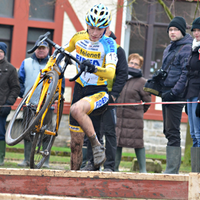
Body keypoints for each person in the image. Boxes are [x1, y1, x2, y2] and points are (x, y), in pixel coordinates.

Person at [64, 3, 118, 170]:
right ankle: (74, 177)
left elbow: (110, 73)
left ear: (106, 28)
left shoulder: (109, 44)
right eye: (92, 27)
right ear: (86, 24)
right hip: (79, 89)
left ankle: (96, 145)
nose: (95, 33)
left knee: (75, 109)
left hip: (98, 92)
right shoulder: (78, 37)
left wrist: (95, 68)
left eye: (100, 29)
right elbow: (65, 51)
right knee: (75, 142)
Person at [80, 28, 128, 172]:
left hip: (109, 96)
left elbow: (122, 74)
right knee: (92, 131)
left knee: (109, 132)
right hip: (93, 94)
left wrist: (114, 94)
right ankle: (92, 163)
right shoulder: (92, 47)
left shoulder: (118, 50)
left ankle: (109, 166)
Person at [18, 41, 65, 168]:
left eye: (43, 48)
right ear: (35, 49)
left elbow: (61, 84)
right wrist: (24, 94)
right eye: (38, 48)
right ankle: (27, 159)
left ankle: (45, 160)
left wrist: (55, 97)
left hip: (47, 106)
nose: (40, 50)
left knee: (46, 132)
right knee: (27, 131)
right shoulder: (26, 62)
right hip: (29, 104)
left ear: (48, 50)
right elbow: (19, 81)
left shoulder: (54, 64)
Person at [160, 16, 192, 174]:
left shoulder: (186, 47)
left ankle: (172, 171)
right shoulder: (169, 47)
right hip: (166, 93)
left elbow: (185, 74)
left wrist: (174, 92)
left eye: (176, 30)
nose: (172, 33)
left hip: (176, 95)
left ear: (182, 31)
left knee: (173, 131)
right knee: (167, 130)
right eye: (170, 30)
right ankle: (170, 169)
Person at [114, 53, 151, 173]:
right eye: (131, 62)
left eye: (136, 64)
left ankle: (143, 170)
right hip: (119, 116)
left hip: (134, 118)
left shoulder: (142, 81)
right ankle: (114, 168)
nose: (133, 65)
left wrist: (138, 111)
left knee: (138, 143)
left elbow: (147, 101)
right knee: (116, 141)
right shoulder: (121, 77)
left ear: (140, 67)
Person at [0, 42, 20, 165]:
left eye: (1, 51)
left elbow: (15, 88)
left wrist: (9, 103)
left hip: (3, 107)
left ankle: (0, 157)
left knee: (0, 132)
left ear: (4, 53)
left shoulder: (11, 69)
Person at [184, 17, 200, 172]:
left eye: (199, 30)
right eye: (194, 30)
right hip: (191, 92)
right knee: (194, 134)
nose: (196, 33)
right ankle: (196, 170)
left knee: (198, 134)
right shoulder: (194, 48)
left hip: (198, 94)